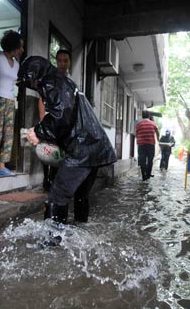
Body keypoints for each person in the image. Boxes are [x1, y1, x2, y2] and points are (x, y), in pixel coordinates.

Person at [19, 56, 117, 232]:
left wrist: (38, 132)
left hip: (82, 149)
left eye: (31, 82)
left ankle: (50, 242)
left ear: (36, 76)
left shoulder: (52, 82)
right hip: (95, 145)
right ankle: (81, 233)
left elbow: (62, 115)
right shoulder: (63, 82)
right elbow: (67, 117)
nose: (32, 87)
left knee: (58, 195)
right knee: (81, 195)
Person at [0, 30, 24, 177]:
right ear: (12, 46)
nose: (22, 50)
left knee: (7, 134)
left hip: (10, 100)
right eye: (20, 47)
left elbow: (18, 82)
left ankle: (1, 166)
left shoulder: (16, 65)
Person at [38, 49, 72, 191]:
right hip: (50, 119)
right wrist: (42, 119)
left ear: (70, 62)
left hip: (64, 122)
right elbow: (41, 99)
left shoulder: (70, 82)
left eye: (65, 61)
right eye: (59, 61)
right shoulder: (50, 78)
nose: (62, 64)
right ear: (56, 62)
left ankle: (54, 179)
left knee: (60, 151)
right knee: (47, 149)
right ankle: (46, 179)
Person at [135, 110, 159, 181]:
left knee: (142, 160)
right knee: (150, 160)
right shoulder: (153, 124)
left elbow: (136, 134)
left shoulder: (138, 124)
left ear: (142, 116)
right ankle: (148, 175)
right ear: (149, 116)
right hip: (150, 144)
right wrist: (158, 139)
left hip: (141, 145)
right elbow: (157, 132)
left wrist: (139, 139)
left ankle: (143, 176)